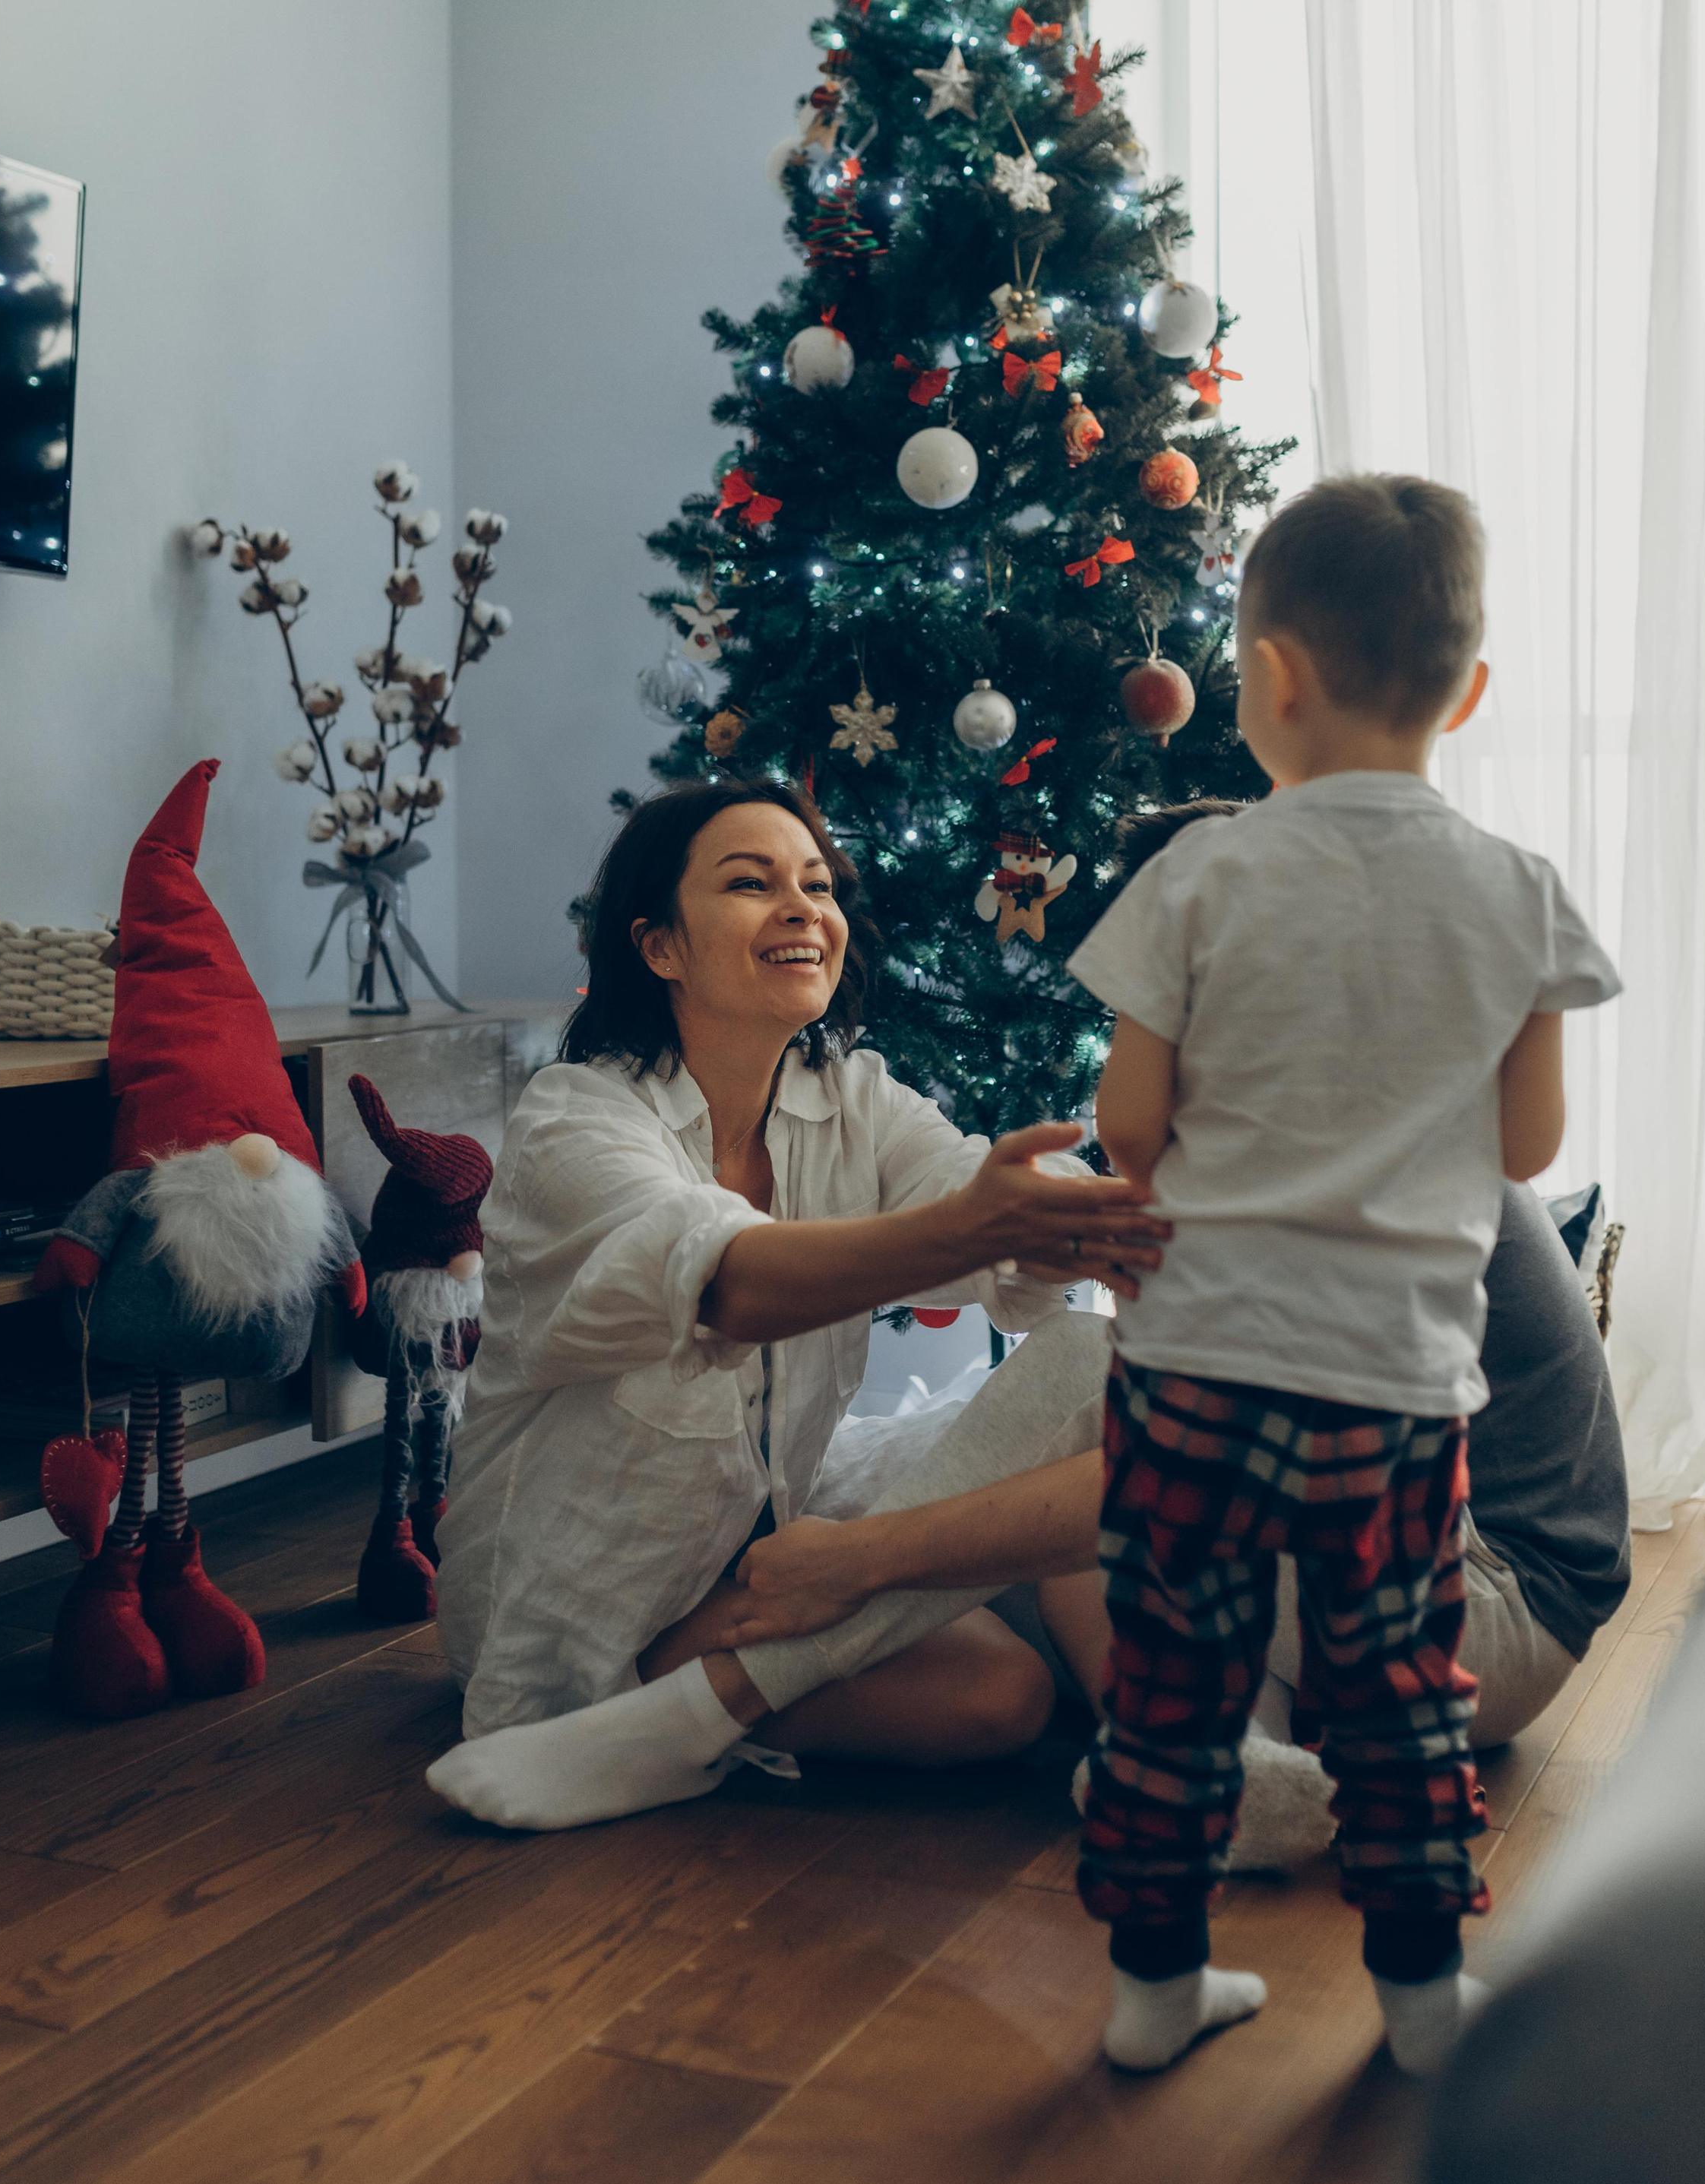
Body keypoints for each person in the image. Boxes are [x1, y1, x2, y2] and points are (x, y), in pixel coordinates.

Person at [1070, 474, 1620, 2078]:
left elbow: (1125, 1126)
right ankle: (1422, 1999)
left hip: (1193, 1368)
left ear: (1270, 675)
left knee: (1175, 1673)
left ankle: (1153, 1988)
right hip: (1389, 1381)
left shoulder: (1195, 876)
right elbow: (1525, 1146)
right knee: (1391, 1685)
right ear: (1467, 690)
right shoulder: (1518, 895)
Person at [425, 777, 1163, 1832]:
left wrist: (1106, 1216)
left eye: (816, 883)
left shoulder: (850, 1096)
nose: (803, 907)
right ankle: (610, 1714)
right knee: (998, 1650)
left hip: (764, 1547)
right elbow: (731, 1284)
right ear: (660, 946)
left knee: (1004, 1690)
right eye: (749, 881)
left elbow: (976, 1192)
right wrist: (979, 1228)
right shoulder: (573, 1121)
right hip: (579, 1608)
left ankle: (685, 1722)